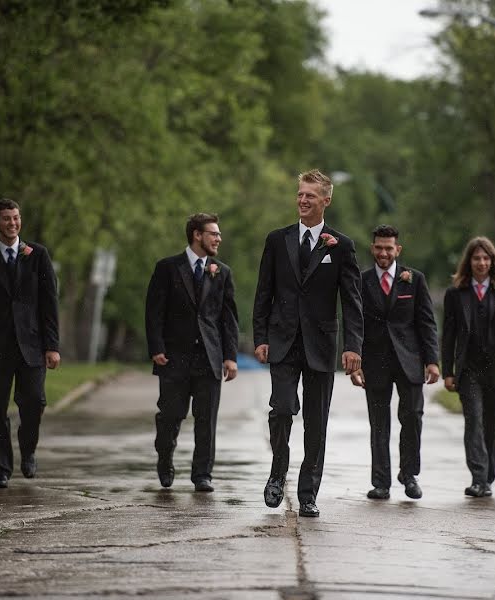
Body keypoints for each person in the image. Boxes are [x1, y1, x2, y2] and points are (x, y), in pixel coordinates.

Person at [253, 169, 364, 518]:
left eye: (310, 196)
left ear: (326, 200)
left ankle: (308, 494)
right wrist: (260, 337)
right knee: (282, 409)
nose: (302, 200)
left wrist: (353, 346)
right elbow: (263, 293)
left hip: (321, 345)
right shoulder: (277, 240)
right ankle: (276, 476)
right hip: (282, 342)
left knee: (316, 422)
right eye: (300, 194)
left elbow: (352, 300)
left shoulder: (341, 245)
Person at [0, 199, 61, 489]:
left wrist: (52, 346)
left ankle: (28, 450)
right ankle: (1, 469)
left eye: (16, 218)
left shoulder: (38, 255)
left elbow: (49, 304)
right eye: (6, 218)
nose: (12, 223)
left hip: (32, 345)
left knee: (34, 403)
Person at [145, 213, 239, 492]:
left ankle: (202, 475)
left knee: (206, 421)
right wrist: (156, 348)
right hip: (174, 358)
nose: (218, 239)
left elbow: (228, 319)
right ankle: (165, 460)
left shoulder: (222, 272)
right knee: (170, 417)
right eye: (214, 234)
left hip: (209, 359)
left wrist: (229, 356)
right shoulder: (167, 268)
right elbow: (154, 312)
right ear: (197, 235)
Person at [350, 225, 440, 500]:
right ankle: (381, 482)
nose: (384, 253)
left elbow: (426, 323)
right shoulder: (361, 281)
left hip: (410, 361)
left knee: (412, 417)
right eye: (379, 247)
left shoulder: (414, 280)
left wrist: (432, 361)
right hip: (374, 362)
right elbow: (354, 323)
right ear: (372, 248)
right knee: (378, 423)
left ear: (397, 250)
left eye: (389, 248)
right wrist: (355, 362)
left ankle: (409, 474)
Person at [441, 236, 495, 498]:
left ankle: (488, 476)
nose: (481, 262)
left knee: (493, 424)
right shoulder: (456, 294)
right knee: (474, 422)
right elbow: (449, 335)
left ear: (492, 261)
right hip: (469, 371)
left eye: (486, 258)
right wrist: (448, 371)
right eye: (476, 258)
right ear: (469, 262)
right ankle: (478, 477)